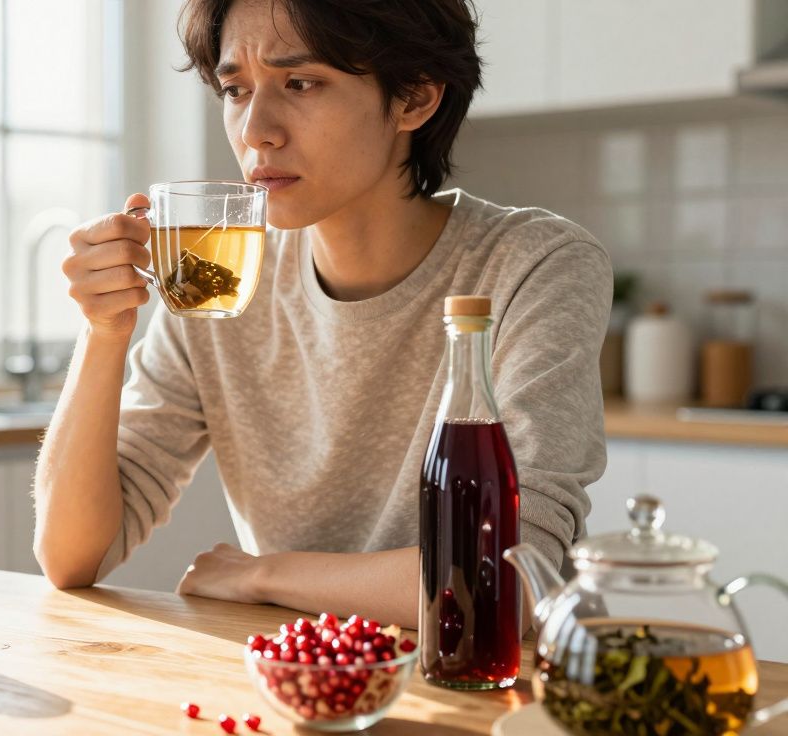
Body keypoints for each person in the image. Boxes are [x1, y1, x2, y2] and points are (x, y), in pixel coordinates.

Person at [32, 0, 611, 627]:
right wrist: (104, 331)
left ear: (414, 98)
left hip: (485, 686)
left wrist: (264, 573)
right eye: (235, 89)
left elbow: (509, 577)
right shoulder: (214, 275)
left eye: (300, 83)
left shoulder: (535, 264)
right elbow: (70, 556)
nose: (255, 130)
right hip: (299, 687)